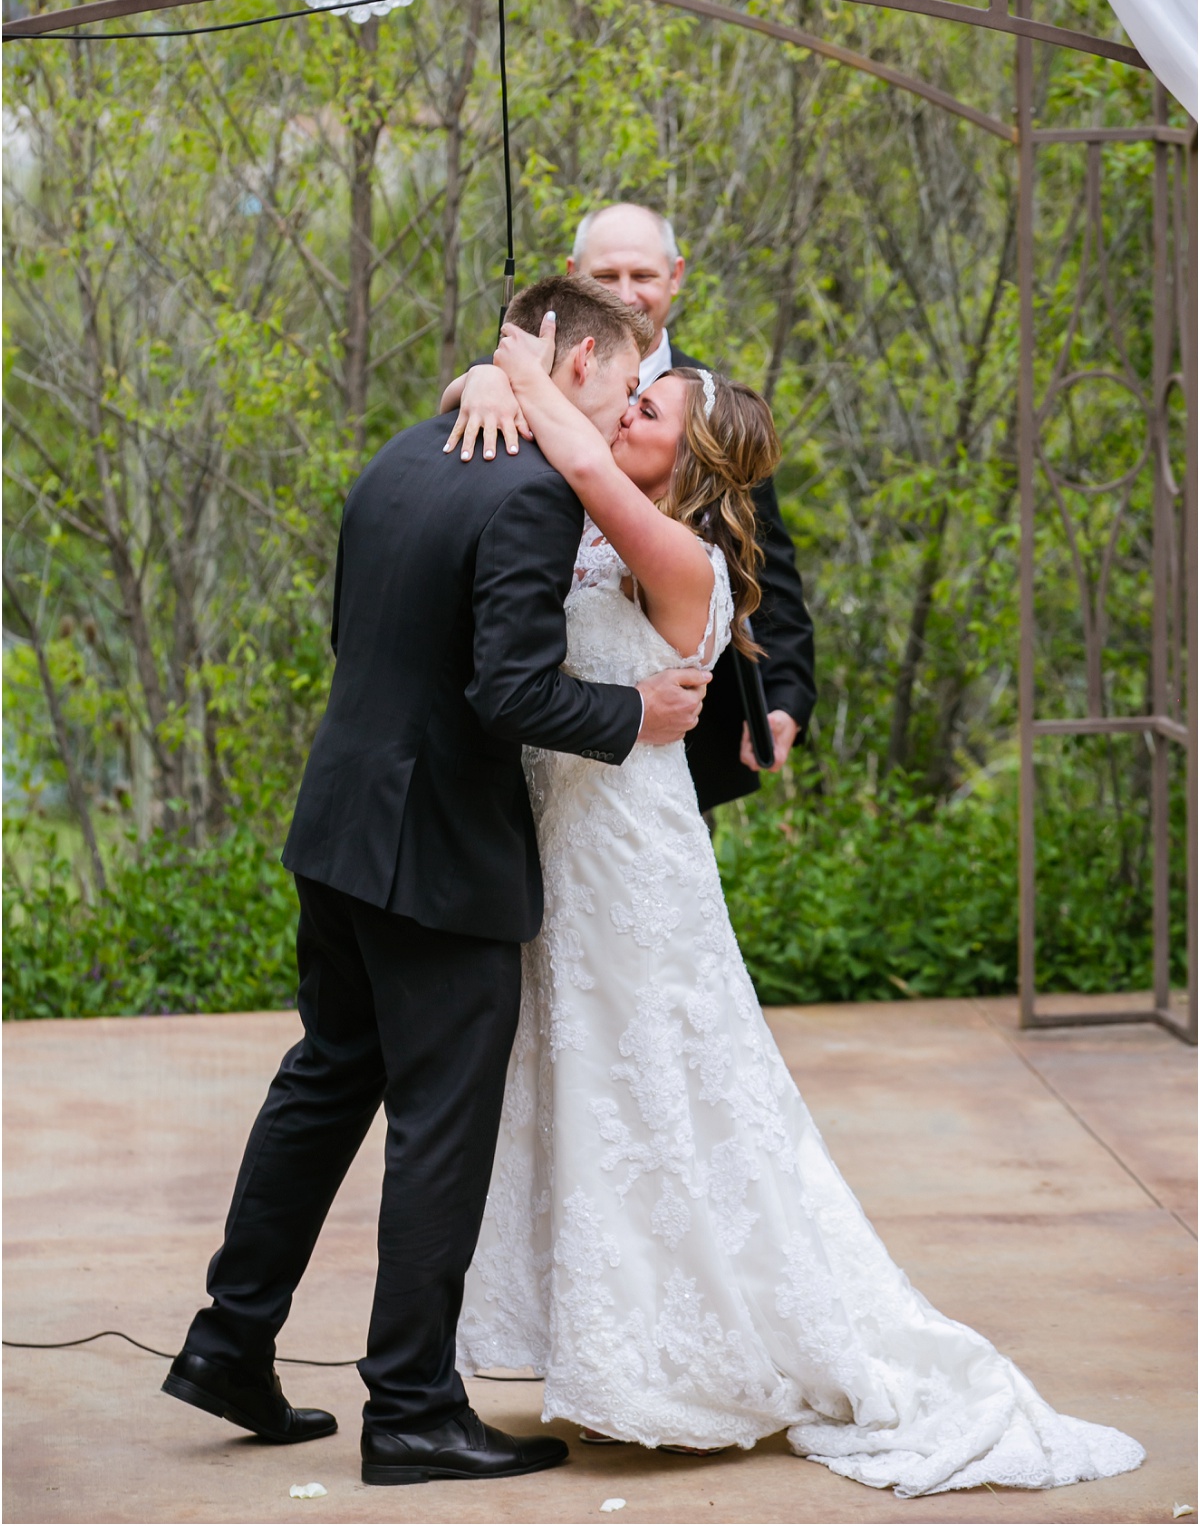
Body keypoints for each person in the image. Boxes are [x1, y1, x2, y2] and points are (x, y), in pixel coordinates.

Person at [444, 308, 1144, 1498]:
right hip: (565, 841)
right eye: (629, 398)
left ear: (695, 461)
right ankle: (616, 1347)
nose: (630, 409)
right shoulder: (601, 523)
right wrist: (490, 377)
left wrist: (516, 368)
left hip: (636, 861)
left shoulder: (688, 564)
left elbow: (574, 455)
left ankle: (703, 1357)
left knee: (659, 1085)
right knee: (591, 1086)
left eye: (652, 410)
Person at [162, 281, 712, 1488]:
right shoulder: (528, 494)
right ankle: (411, 1408)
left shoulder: (406, 451)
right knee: (439, 1127)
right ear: (571, 367)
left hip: (341, 820)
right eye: (621, 385)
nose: (620, 413)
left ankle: (228, 1339)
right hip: (435, 853)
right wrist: (633, 713)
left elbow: (359, 636)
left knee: (325, 1079)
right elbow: (508, 692)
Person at [454, 202, 816, 812]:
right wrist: (487, 377)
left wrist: (784, 693)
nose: (629, 292)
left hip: (659, 754)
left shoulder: (712, 412)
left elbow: (767, 567)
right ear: (573, 275)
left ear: (675, 276)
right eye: (607, 277)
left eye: (643, 276)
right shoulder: (548, 377)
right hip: (537, 740)